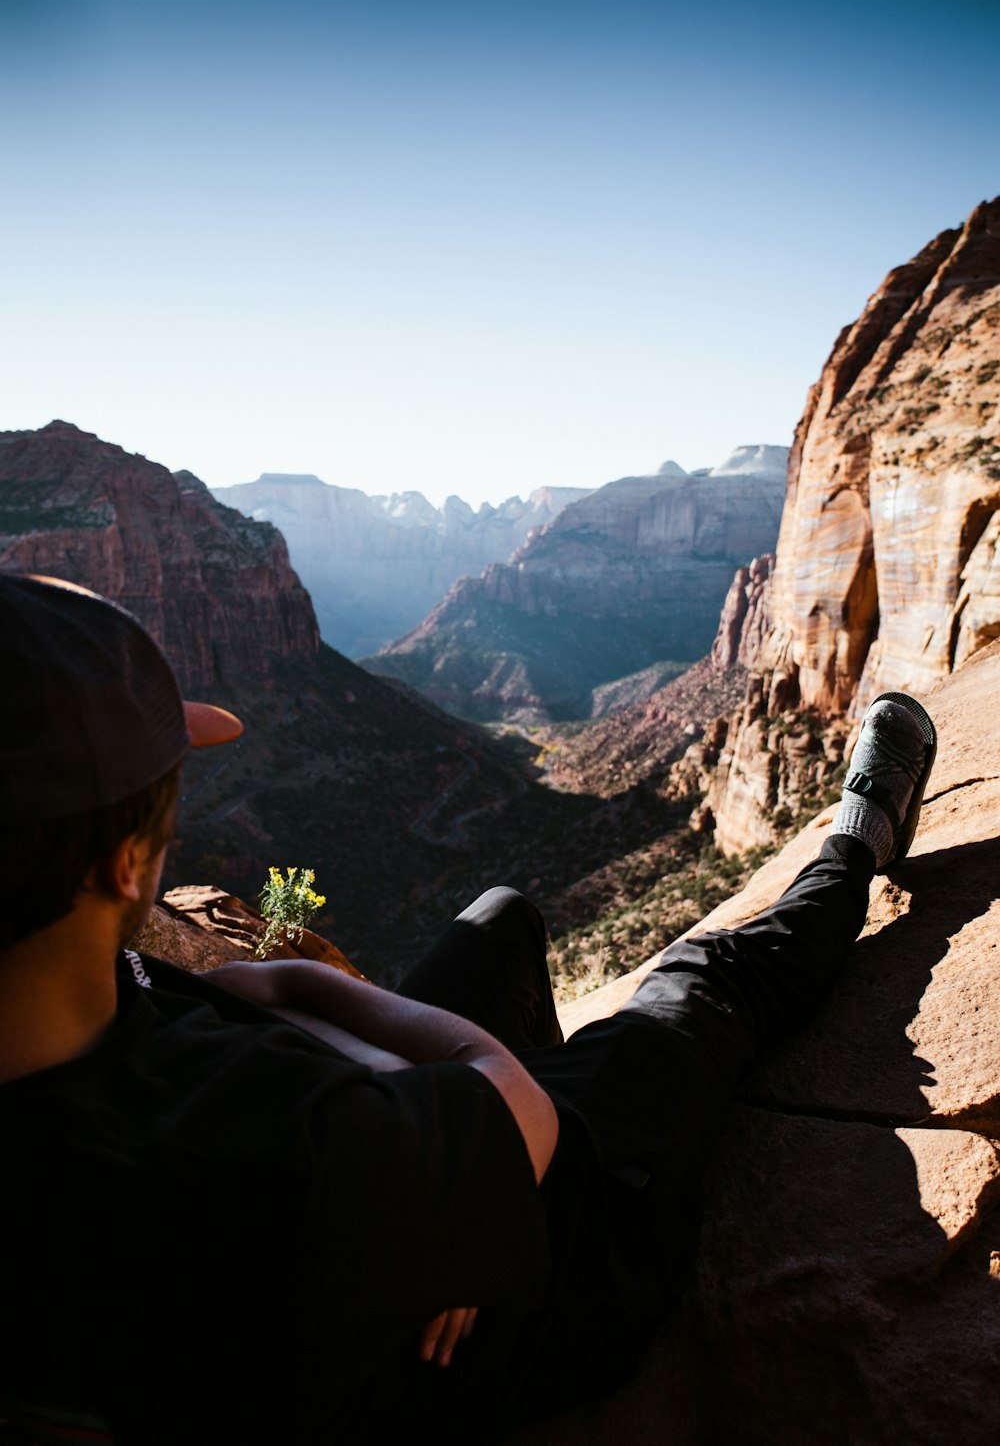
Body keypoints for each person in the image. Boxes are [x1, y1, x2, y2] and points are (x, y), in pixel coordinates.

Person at [0, 573, 937, 1446]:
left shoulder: (81, 1019)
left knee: (499, 923)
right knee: (702, 984)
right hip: (565, 1274)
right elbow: (504, 1104)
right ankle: (857, 846)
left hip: (416, 1171)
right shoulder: (278, 1151)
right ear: (127, 865)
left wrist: (422, 1169)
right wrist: (296, 985)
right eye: (168, 801)